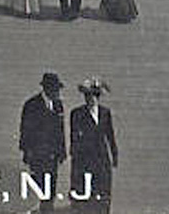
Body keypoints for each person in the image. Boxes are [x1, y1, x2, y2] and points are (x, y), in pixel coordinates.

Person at [69, 78, 118, 209]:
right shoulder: (77, 114)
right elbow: (74, 137)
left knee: (103, 189)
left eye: (94, 96)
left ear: (98, 97)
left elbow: (110, 135)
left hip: (102, 157)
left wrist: (114, 155)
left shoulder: (105, 113)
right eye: (88, 96)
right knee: (87, 191)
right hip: (86, 157)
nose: (90, 99)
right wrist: (75, 157)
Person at [19, 72, 67, 204]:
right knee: (37, 189)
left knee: (50, 189)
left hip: (52, 156)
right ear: (47, 88)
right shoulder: (32, 105)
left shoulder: (58, 105)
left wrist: (62, 151)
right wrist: (27, 152)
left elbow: (60, 130)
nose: (57, 92)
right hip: (37, 155)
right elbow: (25, 130)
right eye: (55, 88)